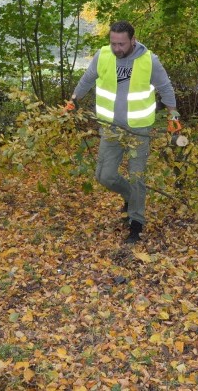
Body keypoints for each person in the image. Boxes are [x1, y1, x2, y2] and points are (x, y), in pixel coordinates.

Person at [68, 20, 179, 243]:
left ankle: (136, 222)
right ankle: (130, 196)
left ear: (132, 40)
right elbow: (87, 78)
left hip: (138, 129)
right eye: (113, 43)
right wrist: (73, 99)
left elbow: (165, 86)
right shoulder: (103, 55)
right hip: (111, 128)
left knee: (137, 176)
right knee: (104, 175)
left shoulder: (149, 60)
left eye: (121, 44)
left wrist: (173, 114)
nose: (117, 48)